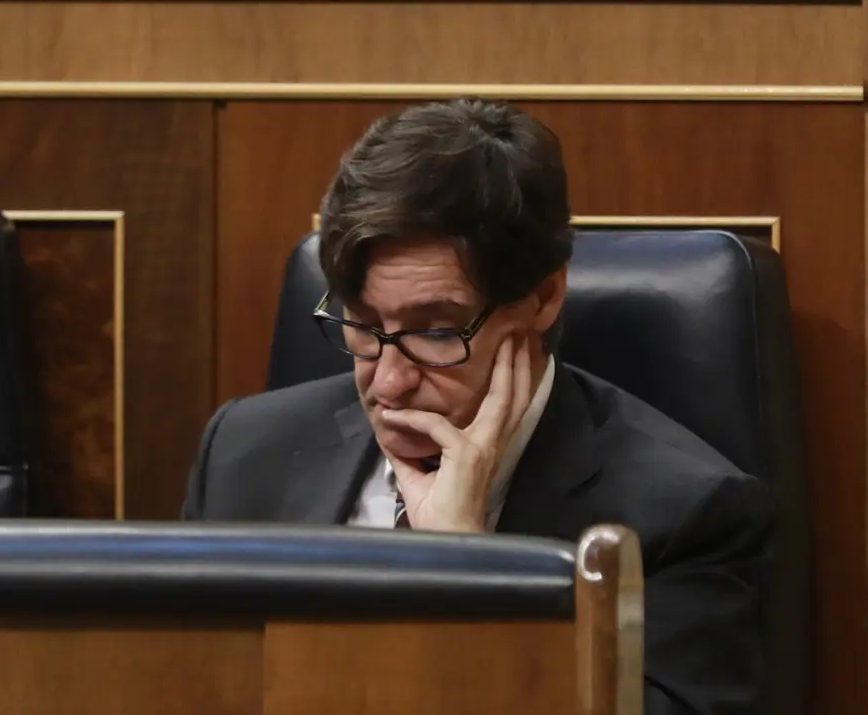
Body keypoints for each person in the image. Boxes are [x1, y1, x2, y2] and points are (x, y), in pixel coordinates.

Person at [182, 99, 772, 714]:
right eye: (361, 325)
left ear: (543, 297)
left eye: (435, 333)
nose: (386, 384)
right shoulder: (243, 453)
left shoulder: (686, 519)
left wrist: (466, 571)